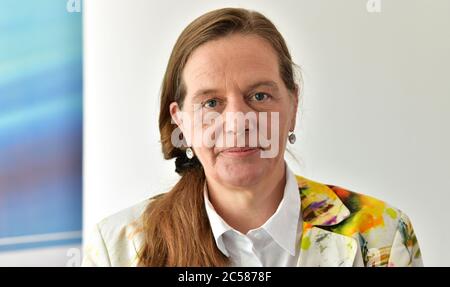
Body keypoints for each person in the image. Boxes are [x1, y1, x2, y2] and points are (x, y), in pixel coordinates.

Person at [82, 7, 422, 267]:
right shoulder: (119, 249)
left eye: (259, 96)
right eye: (211, 102)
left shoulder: (381, 235)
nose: (237, 123)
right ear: (180, 122)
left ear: (293, 103)